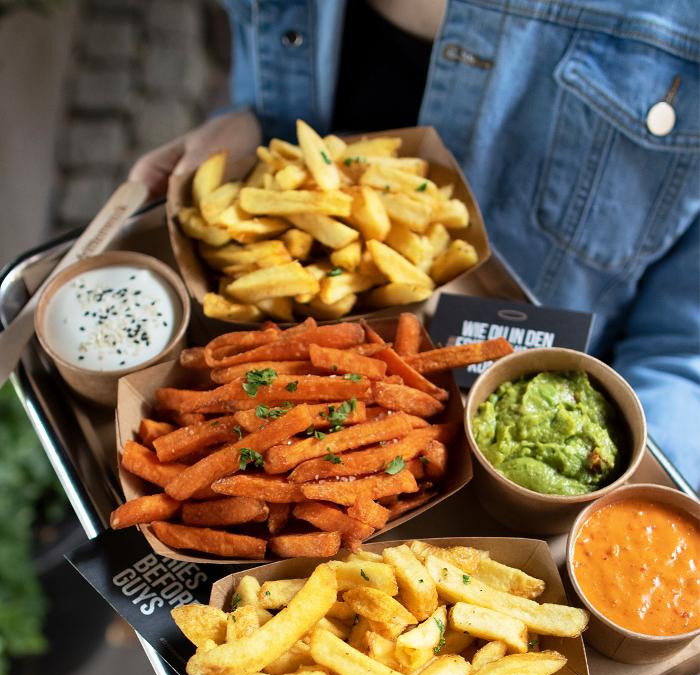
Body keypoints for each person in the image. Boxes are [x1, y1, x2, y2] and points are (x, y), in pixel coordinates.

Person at [131, 0, 700, 494]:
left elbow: (684, 350)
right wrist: (242, 134)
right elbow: (275, 92)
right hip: (260, 336)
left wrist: (628, 499)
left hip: (557, 395)